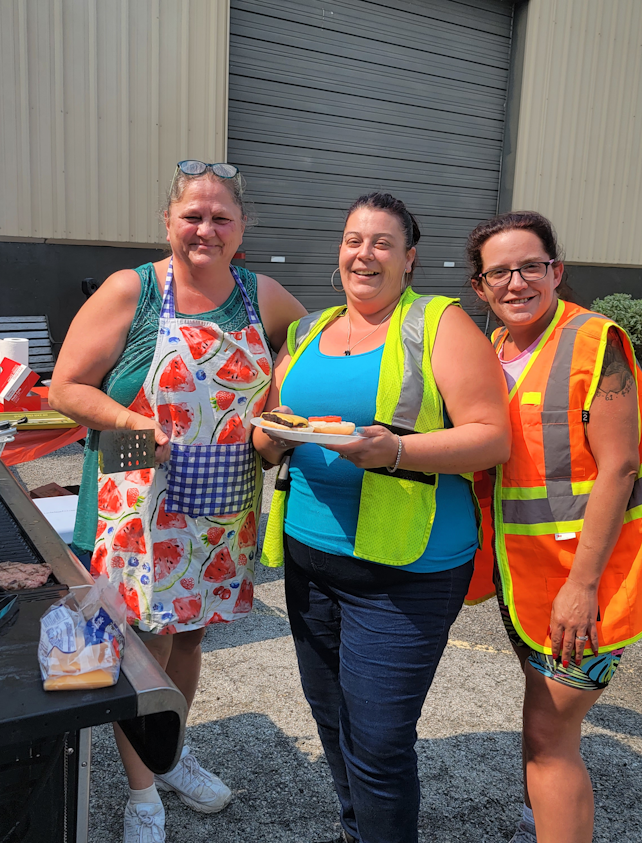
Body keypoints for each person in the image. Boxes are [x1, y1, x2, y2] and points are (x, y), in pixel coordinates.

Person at [50, 160, 306, 843]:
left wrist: (280, 407)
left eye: (221, 216)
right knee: (139, 645)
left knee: (189, 634)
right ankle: (142, 797)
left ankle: (168, 752)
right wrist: (134, 422)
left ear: (242, 228)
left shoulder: (264, 296)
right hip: (137, 493)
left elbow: (311, 359)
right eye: (192, 215)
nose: (206, 228)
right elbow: (66, 386)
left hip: (224, 500)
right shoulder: (131, 291)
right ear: (168, 221)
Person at [252, 192, 511, 843]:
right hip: (311, 563)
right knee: (333, 722)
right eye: (353, 239)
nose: (363, 253)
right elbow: (273, 430)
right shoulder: (310, 329)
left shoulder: (439, 323)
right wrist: (272, 432)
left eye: (381, 242)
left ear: (409, 258)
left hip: (406, 573)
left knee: (379, 744)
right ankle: (354, 829)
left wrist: (395, 449)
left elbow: (492, 436)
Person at [466, 211, 642, 843]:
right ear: (480, 286)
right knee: (545, 729)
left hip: (590, 585)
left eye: (531, 266)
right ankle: (548, 818)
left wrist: (581, 587)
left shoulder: (594, 341)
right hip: (525, 580)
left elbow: (619, 467)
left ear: (557, 269)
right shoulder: (495, 349)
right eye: (499, 271)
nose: (517, 282)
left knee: (549, 740)